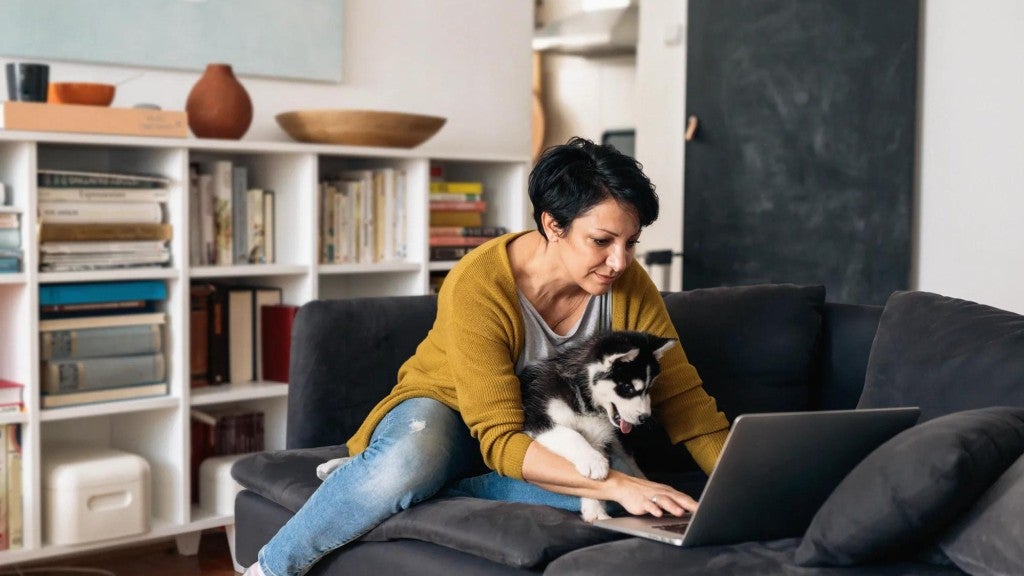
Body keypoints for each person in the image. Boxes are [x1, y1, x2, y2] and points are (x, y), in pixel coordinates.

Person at [245, 137, 730, 576]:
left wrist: (738, 485)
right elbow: (497, 435)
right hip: (450, 409)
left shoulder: (626, 282)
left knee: (612, 498)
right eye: (601, 242)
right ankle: (271, 567)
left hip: (541, 430)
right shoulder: (480, 282)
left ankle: (412, 484)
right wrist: (615, 485)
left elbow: (684, 401)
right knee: (412, 462)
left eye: (631, 242)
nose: (620, 262)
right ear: (552, 224)